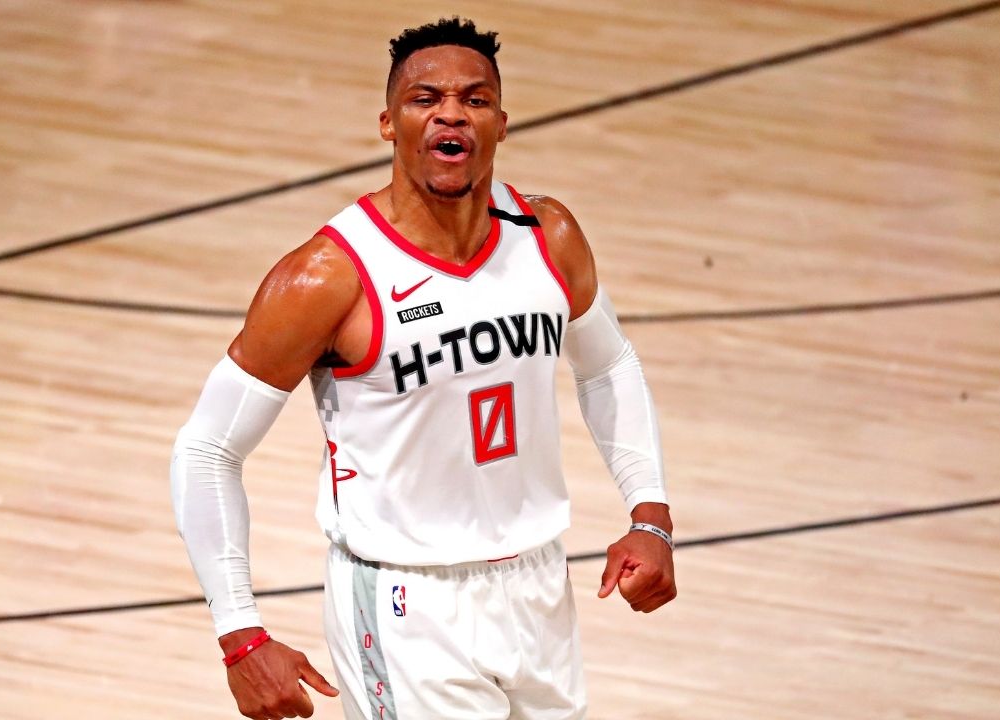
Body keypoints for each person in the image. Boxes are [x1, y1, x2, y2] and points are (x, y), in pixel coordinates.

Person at [171, 17, 675, 720]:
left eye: (475, 99)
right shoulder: (326, 277)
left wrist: (649, 513)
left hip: (537, 584)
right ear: (389, 123)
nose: (451, 113)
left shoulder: (548, 235)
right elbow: (207, 447)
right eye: (425, 98)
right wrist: (238, 632)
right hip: (407, 604)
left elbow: (608, 364)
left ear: (501, 122)